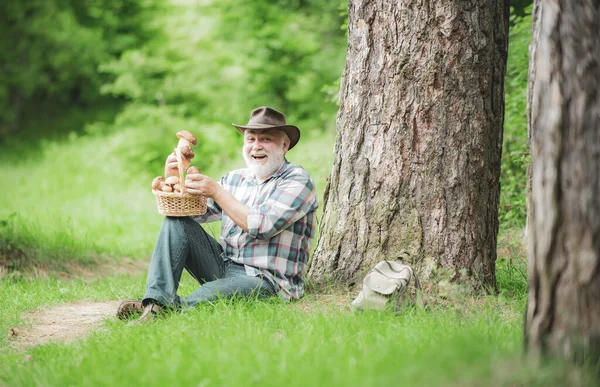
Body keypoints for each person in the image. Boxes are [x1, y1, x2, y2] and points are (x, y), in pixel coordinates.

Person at [117, 106, 319, 323]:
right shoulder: (234, 179)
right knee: (175, 223)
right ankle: (155, 301)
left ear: (284, 145)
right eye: (250, 139)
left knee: (215, 296)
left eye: (266, 139)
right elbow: (192, 213)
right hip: (223, 264)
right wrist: (175, 177)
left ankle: (164, 311)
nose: (256, 146)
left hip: (266, 280)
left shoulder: (297, 180)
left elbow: (263, 227)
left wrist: (217, 191)